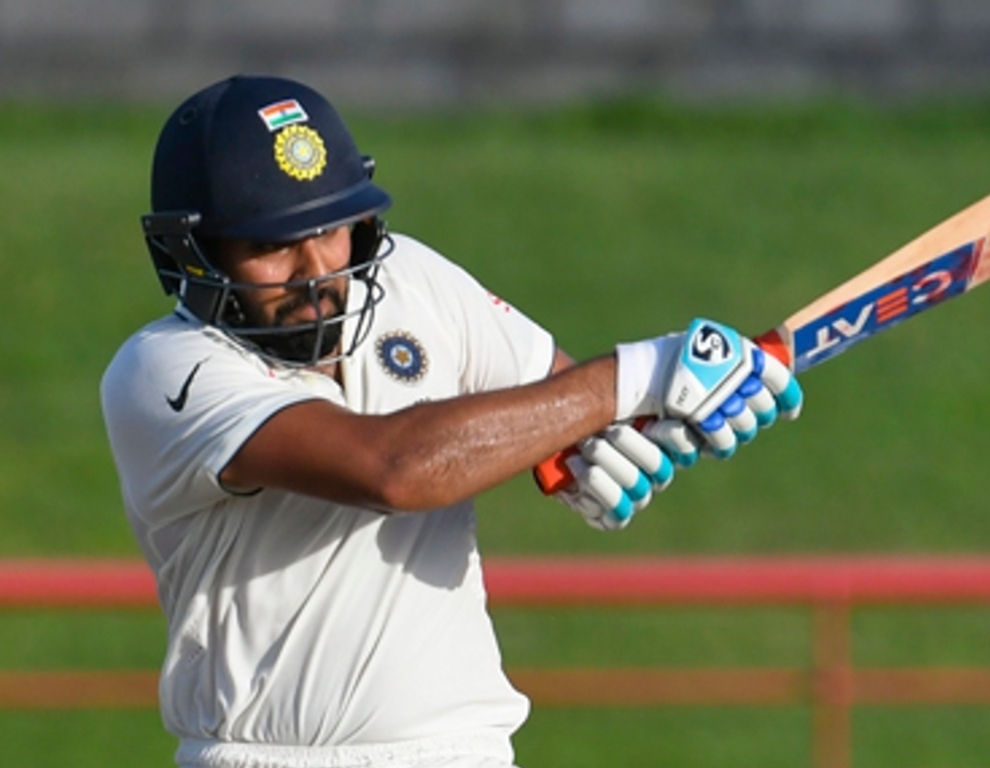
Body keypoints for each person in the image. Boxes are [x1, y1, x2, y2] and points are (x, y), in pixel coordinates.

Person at [100, 75, 802, 768]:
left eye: (330, 230)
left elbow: (562, 395)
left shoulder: (411, 279)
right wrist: (641, 374)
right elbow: (393, 470)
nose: (317, 272)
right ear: (192, 255)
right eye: (271, 245)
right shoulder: (165, 369)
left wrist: (611, 441)